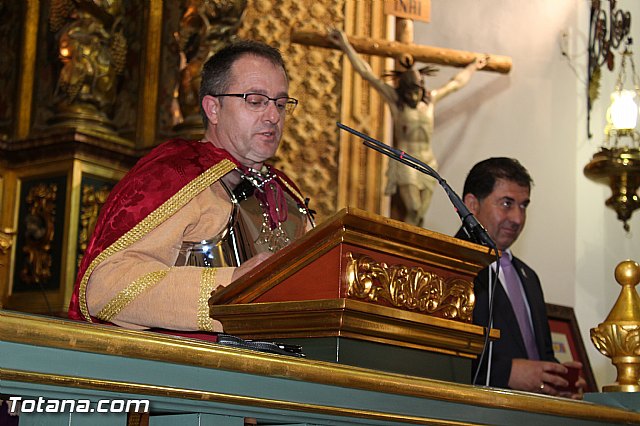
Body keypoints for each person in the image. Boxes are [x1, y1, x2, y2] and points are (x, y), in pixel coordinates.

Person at [68, 40, 314, 336]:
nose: (274, 116)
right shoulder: (174, 175)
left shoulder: (286, 193)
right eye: (256, 100)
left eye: (281, 103)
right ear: (213, 108)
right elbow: (105, 289)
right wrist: (231, 285)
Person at [328, 28, 487, 226]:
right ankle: (405, 248)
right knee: (412, 208)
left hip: (428, 162)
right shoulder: (396, 102)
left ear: (422, 88)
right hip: (406, 162)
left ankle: (413, 247)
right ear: (403, 90)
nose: (412, 96)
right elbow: (367, 73)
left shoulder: (430, 101)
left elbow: (455, 83)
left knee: (420, 214)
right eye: (409, 92)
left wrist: (473, 66)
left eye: (416, 91)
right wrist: (345, 45)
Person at [455, 157, 585, 398]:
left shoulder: (528, 277)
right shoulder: (449, 265)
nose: (517, 218)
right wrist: (507, 373)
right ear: (472, 204)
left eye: (524, 205)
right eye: (507, 203)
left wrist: (556, 382)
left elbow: (541, 355)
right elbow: (439, 358)